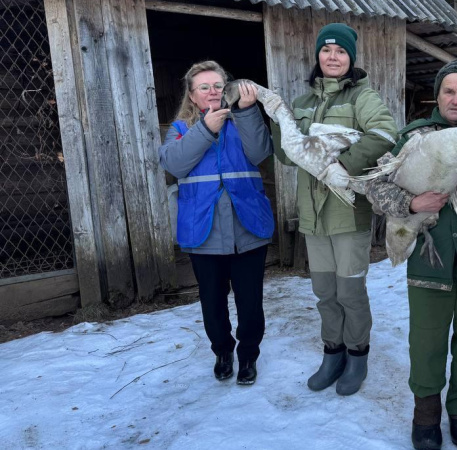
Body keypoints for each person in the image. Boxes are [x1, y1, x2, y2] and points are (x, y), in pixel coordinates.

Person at [366, 59, 457, 450]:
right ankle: (425, 414)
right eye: (450, 91)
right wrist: (412, 203)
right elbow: (376, 188)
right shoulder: (415, 135)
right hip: (432, 254)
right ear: (438, 94)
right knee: (426, 340)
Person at [273, 23, 398, 396]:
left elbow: (385, 133)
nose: (332, 57)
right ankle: (333, 352)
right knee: (324, 292)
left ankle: (357, 355)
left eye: (340, 52)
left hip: (348, 213)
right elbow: (283, 154)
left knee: (350, 293)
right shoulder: (302, 103)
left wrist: (344, 166)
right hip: (313, 216)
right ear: (317, 56)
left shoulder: (363, 96)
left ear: (350, 58)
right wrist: (280, 119)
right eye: (326, 51)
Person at [159, 60, 274, 386]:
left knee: (250, 301)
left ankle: (248, 355)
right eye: (203, 87)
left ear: (228, 90)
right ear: (192, 96)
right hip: (203, 231)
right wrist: (206, 129)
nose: (212, 92)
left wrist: (249, 111)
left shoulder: (243, 121)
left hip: (248, 227)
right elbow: (175, 164)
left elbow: (261, 153)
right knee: (212, 302)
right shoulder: (180, 130)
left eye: (218, 86)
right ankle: (222, 351)